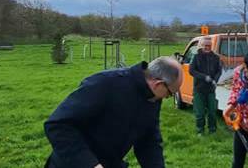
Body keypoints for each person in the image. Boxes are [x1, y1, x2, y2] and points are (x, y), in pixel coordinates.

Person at [44, 56, 183, 168]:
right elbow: (58, 125)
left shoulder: (152, 98)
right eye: (170, 94)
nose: (166, 98)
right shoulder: (104, 84)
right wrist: (90, 164)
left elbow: (149, 141)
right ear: (158, 84)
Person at [189, 36, 223, 135]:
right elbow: (192, 71)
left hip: (211, 89)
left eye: (209, 45)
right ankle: (200, 130)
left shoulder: (216, 57)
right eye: (205, 45)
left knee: (212, 112)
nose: (207, 47)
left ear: (211, 46)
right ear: (201, 45)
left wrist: (215, 80)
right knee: (200, 113)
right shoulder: (196, 56)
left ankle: (212, 130)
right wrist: (204, 77)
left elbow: (219, 71)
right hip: (199, 89)